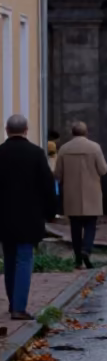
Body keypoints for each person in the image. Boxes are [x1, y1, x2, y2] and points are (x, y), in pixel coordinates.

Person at [0, 114, 56, 320]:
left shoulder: (0, 153)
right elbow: (47, 186)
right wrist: (51, 212)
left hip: (4, 218)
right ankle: (19, 307)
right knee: (24, 259)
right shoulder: (36, 154)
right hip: (29, 217)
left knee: (9, 259)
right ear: (26, 130)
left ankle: (13, 302)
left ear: (7, 130)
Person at [54, 122, 107, 269]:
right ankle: (87, 250)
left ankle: (78, 259)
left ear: (72, 133)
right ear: (86, 133)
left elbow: (57, 173)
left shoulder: (64, 149)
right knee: (91, 225)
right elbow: (103, 170)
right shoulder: (95, 147)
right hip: (91, 193)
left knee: (75, 227)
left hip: (72, 194)